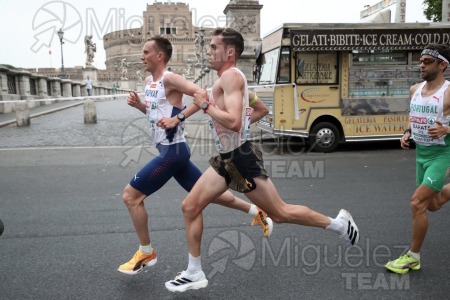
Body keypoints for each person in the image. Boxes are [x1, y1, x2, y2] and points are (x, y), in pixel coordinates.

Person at [165, 27, 360, 293]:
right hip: (225, 159)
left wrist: (211, 109)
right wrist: (179, 118)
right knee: (190, 207)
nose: (208, 51)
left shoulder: (232, 77)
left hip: (241, 158)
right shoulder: (224, 81)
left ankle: (339, 224)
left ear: (229, 52)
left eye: (213, 47)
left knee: (280, 213)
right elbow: (259, 109)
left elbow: (232, 121)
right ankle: (194, 272)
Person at [117, 35, 272, 275]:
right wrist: (139, 106)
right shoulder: (149, 81)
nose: (141, 56)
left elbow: (202, 95)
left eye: (146, 52)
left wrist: (177, 118)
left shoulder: (171, 78)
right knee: (212, 195)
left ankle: (146, 252)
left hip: (173, 152)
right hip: (168, 150)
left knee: (131, 196)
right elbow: (156, 110)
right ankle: (256, 211)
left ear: (160, 56)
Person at [385, 44, 450, 274]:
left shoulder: (448, 92)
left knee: (417, 203)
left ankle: (413, 257)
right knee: (432, 204)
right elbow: (415, 116)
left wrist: (447, 130)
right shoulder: (414, 89)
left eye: (428, 61)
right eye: (421, 60)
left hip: (442, 154)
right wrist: (407, 132)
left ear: (443, 65)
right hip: (421, 154)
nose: (421, 65)